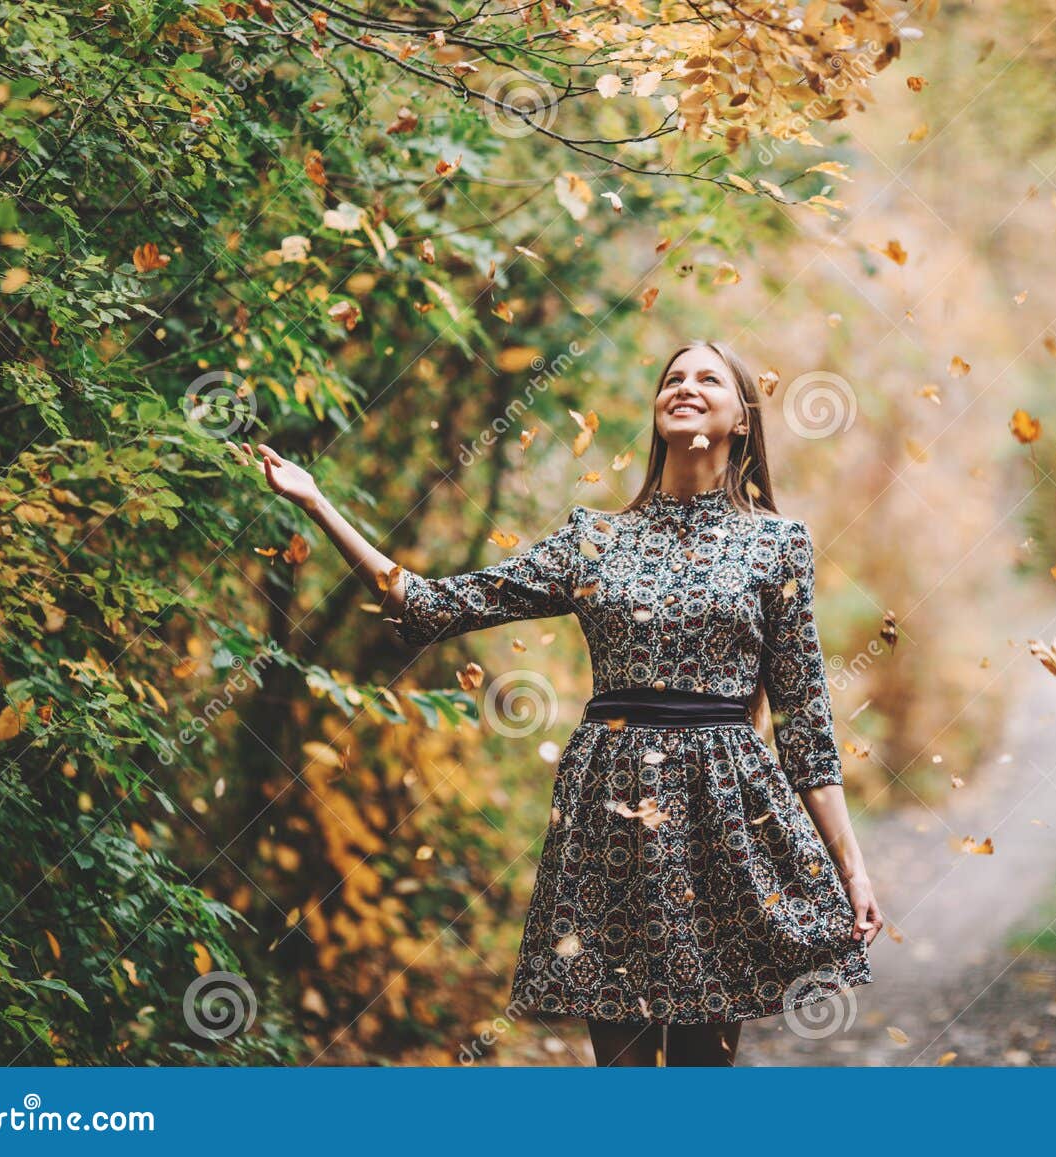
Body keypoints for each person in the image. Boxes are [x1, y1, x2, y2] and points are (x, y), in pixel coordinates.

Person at [246, 339, 881, 1066]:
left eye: (709, 377)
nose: (685, 385)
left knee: (703, 1071)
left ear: (742, 418)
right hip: (606, 813)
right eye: (672, 376)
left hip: (722, 815)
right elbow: (434, 606)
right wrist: (317, 501)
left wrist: (852, 867)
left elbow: (804, 722)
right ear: (656, 411)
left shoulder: (778, 544)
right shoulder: (595, 540)